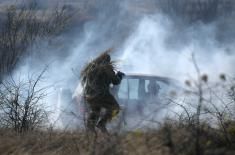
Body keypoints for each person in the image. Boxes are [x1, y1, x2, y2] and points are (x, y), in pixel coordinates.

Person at [80, 49, 124, 134]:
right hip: (102, 94)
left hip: (89, 95)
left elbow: (83, 81)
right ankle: (102, 124)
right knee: (116, 108)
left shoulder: (90, 68)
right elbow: (115, 81)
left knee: (95, 111)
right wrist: (119, 76)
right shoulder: (106, 68)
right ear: (107, 60)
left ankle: (90, 130)